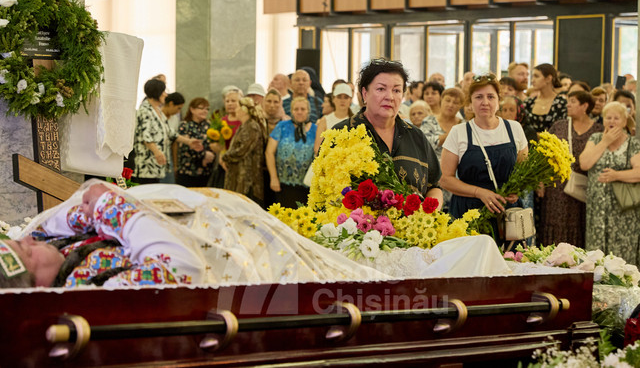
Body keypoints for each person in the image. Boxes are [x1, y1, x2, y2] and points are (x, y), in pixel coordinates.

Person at [0, 181, 512, 289]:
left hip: (238, 230)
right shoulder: (99, 291)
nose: (28, 238)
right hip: (250, 269)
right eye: (24, 250)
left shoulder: (51, 251)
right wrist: (110, 208)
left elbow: (63, 212)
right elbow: (176, 262)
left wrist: (92, 209)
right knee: (356, 279)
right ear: (30, 280)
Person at [335, 59, 443, 203]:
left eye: (397, 90)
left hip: (412, 224)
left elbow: (434, 186)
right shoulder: (341, 134)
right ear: (365, 93)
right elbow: (325, 189)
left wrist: (431, 211)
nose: (390, 97)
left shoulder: (416, 137)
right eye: (381, 89)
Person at [440, 74, 528, 242]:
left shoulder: (514, 129)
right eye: (479, 97)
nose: (485, 102)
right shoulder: (459, 132)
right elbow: (445, 179)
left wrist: (517, 190)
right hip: (469, 212)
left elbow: (523, 171)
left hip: (507, 212)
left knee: (510, 263)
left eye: (490, 96)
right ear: (470, 102)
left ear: (498, 100)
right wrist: (479, 192)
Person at [538, 91, 603, 248]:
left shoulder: (599, 130)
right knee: (555, 224)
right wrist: (540, 181)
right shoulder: (559, 126)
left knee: (581, 224)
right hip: (556, 188)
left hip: (585, 186)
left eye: (572, 101)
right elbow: (543, 153)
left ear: (585, 106)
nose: (568, 104)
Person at [580, 101, 640, 265]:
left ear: (624, 120)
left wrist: (617, 175)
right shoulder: (596, 138)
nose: (612, 121)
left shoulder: (633, 143)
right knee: (596, 256)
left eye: (616, 118)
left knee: (622, 256)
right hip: (597, 210)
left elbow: (638, 172)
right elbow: (584, 163)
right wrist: (605, 142)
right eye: (608, 118)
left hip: (623, 211)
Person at [132, 78, 203, 184]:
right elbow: (145, 136)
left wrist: (189, 142)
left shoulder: (157, 110)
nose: (165, 95)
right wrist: (157, 153)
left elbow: (169, 132)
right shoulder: (145, 111)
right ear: (157, 93)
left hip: (156, 166)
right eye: (163, 92)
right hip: (146, 166)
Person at [266, 96, 317, 208]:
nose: (299, 112)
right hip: (283, 185)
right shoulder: (281, 126)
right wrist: (273, 177)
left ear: (308, 111)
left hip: (307, 187)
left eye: (302, 109)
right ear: (291, 111)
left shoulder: (316, 130)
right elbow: (269, 152)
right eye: (296, 109)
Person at [420, 87, 464, 211]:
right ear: (441, 100)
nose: (450, 105)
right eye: (447, 100)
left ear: (461, 105)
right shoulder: (428, 121)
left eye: (455, 102)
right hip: (433, 174)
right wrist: (451, 133)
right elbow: (426, 144)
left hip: (457, 176)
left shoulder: (464, 124)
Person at [221, 97, 268, 206]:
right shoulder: (244, 126)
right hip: (238, 176)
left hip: (247, 179)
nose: (235, 110)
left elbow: (242, 151)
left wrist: (225, 157)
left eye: (237, 107)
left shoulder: (252, 126)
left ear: (243, 110)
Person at [176, 97, 215, 187]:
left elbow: (214, 143)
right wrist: (204, 155)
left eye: (207, 109)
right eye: (201, 108)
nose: (205, 111)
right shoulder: (184, 125)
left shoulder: (209, 125)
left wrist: (210, 155)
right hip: (188, 170)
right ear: (192, 109)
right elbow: (185, 147)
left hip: (205, 171)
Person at [523, 63, 567, 135]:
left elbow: (561, 131)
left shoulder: (560, 103)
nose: (532, 80)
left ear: (548, 78)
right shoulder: (528, 102)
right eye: (532, 76)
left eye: (536, 76)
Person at [314, 83, 354, 154]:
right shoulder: (324, 120)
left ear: (350, 100)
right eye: (339, 97)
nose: (342, 100)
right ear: (333, 99)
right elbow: (317, 148)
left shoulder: (355, 121)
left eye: (346, 97)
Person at [160, 92, 185, 184]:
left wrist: (175, 164)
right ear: (171, 104)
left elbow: (174, 142)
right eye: (178, 108)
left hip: (168, 155)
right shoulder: (157, 116)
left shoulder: (175, 119)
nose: (178, 111)